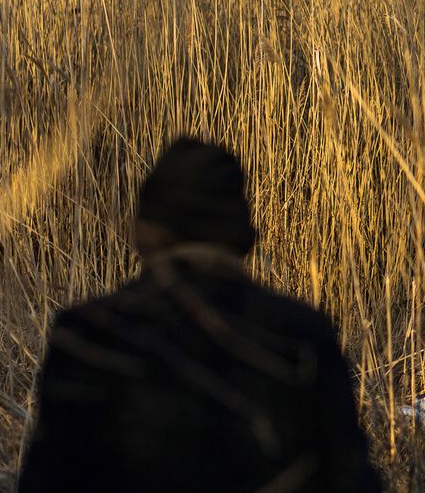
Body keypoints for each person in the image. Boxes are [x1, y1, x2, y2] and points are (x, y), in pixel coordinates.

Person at [19, 138, 381, 493]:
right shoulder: (304, 335)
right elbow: (351, 478)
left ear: (142, 232)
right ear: (245, 236)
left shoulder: (88, 333)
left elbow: (48, 480)